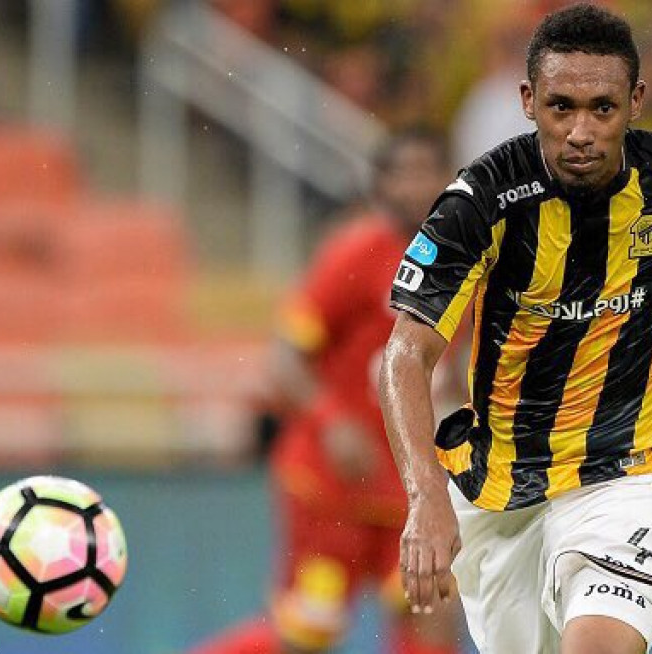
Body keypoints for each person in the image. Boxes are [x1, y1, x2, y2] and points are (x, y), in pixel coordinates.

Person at [378, 4, 652, 654]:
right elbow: (406, 355)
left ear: (635, 101)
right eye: (561, 107)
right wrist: (424, 494)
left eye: (602, 108)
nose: (581, 131)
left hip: (630, 473)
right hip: (503, 492)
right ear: (528, 101)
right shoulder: (481, 201)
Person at [188, 128, 464, 654]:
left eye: (427, 171)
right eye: (402, 174)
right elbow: (285, 357)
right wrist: (332, 420)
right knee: (307, 634)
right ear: (380, 185)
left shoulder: (467, 262)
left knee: (433, 613)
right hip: (330, 486)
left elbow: (455, 364)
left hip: (408, 489)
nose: (416, 186)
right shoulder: (356, 252)